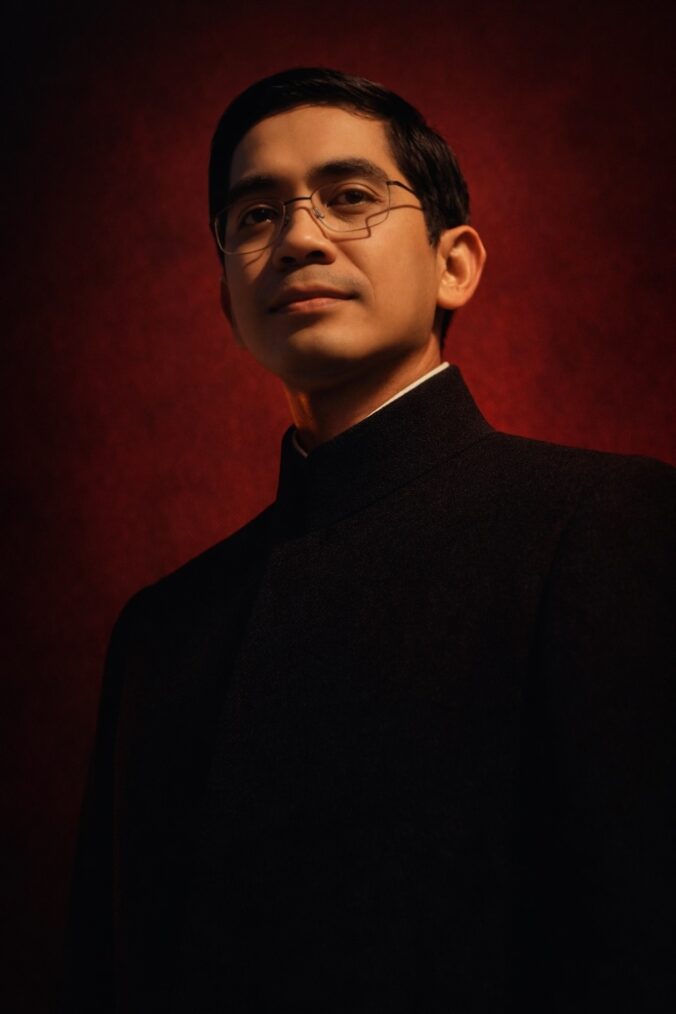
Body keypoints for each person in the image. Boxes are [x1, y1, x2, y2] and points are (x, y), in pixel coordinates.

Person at [61, 68, 674, 1013]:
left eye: (350, 197)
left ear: (454, 264)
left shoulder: (609, 525)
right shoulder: (159, 633)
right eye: (255, 216)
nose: (299, 237)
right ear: (227, 298)